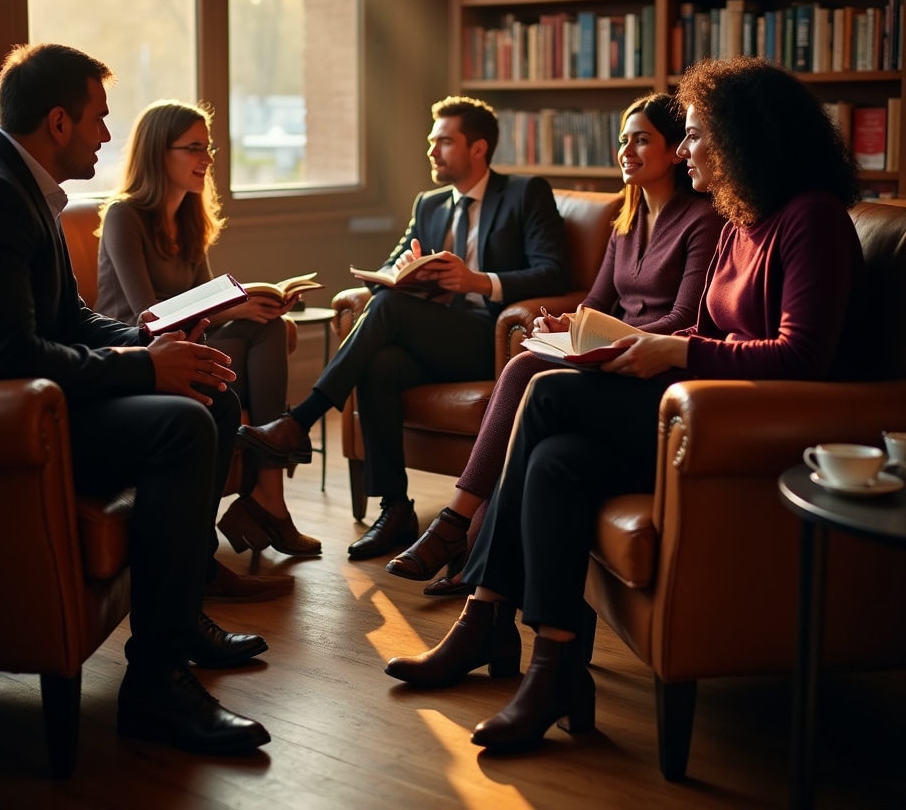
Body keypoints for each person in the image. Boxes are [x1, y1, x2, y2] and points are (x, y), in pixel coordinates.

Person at [384, 56, 865, 754]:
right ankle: (555, 666)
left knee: (543, 393)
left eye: (698, 135)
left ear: (743, 137)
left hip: (738, 428)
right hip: (694, 407)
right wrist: (638, 346)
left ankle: (482, 614)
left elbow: (801, 357)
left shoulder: (809, 220)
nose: (688, 147)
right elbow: (709, 329)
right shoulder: (740, 218)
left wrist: (672, 352)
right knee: (554, 460)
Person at [0, 43, 272, 757]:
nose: (105, 135)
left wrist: (153, 343)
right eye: (98, 119)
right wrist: (142, 369)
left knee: (206, 392)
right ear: (58, 122)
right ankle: (156, 683)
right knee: (183, 426)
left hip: (20, 406)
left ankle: (178, 622)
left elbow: (68, 321)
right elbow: (6, 358)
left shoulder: (21, 185)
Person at [385, 92, 724, 596]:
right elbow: (598, 301)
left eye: (641, 140)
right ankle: (471, 544)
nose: (626, 151)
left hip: (652, 364)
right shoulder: (626, 222)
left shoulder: (702, 222)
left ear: (676, 149)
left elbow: (684, 318)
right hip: (610, 354)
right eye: (622, 140)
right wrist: (565, 324)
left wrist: (603, 336)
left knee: (524, 374)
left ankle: (456, 527)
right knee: (530, 361)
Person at [237, 95, 570, 560]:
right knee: (381, 364)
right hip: (433, 331)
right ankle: (396, 509)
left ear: (478, 149)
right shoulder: (430, 204)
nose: (432, 151)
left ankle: (301, 420)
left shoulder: (524, 193)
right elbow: (392, 264)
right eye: (431, 142)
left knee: (390, 311)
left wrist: (478, 281)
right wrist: (407, 271)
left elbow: (554, 271)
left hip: (490, 338)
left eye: (444, 142)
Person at [97, 99, 319, 570]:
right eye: (195, 148)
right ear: (159, 153)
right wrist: (237, 306)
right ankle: (268, 502)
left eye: (209, 147)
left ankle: (270, 498)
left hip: (190, 347)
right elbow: (149, 316)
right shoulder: (124, 216)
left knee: (270, 327)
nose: (209, 159)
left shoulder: (190, 219)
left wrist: (253, 306)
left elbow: (206, 305)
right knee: (254, 333)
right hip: (139, 353)